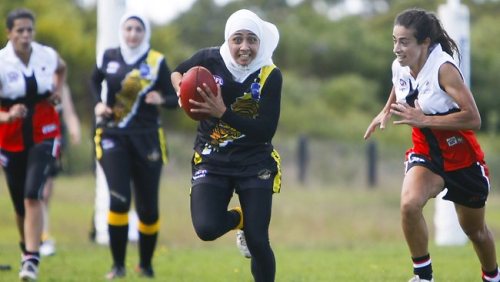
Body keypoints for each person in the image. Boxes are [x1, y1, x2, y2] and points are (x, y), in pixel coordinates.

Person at [364, 8, 499, 282]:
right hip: (425, 151)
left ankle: (492, 276)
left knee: (475, 232)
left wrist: (423, 118)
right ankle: (424, 276)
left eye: (404, 42)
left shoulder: (444, 69)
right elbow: (399, 84)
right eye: (394, 40)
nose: (397, 49)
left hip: (461, 156)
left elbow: (474, 118)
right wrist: (385, 109)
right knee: (409, 204)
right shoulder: (399, 65)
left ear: (425, 42)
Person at [171, 9, 282, 282]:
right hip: (212, 158)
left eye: (252, 40)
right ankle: (240, 219)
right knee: (206, 228)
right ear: (227, 40)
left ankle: (251, 229)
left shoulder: (270, 74)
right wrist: (180, 90)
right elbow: (177, 72)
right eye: (238, 39)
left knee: (258, 241)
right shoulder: (209, 58)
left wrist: (223, 112)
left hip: (254, 160)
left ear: (261, 43)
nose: (245, 47)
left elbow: (265, 131)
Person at [91, 12, 177, 279]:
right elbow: (94, 80)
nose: (132, 34)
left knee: (148, 208)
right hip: (112, 135)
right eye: (128, 28)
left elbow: (176, 99)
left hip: (148, 138)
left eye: (138, 29)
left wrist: (160, 98)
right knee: (119, 201)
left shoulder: (156, 61)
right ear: (122, 30)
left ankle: (146, 265)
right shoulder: (109, 56)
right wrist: (98, 103)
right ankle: (118, 266)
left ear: (145, 33)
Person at [0, 8, 67, 281]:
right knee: (19, 204)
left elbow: (61, 69)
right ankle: (26, 249)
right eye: (20, 31)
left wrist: (56, 91)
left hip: (45, 131)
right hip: (11, 137)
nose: (26, 36)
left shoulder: (46, 55)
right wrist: (7, 116)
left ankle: (31, 258)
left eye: (29, 30)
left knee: (32, 194)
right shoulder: (2, 63)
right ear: (9, 33)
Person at [39, 83, 81, 257]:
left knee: (46, 190)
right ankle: (34, 236)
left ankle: (43, 234)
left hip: (53, 137)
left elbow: (69, 112)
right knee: (31, 190)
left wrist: (74, 129)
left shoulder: (61, 86)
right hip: (30, 136)